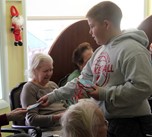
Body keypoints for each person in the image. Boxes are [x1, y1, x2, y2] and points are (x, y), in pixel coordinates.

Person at [38, 1, 152, 137]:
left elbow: (143, 88)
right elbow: (81, 81)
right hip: (106, 121)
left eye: (92, 26)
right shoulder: (99, 52)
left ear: (106, 24)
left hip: (130, 123)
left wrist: (104, 93)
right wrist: (53, 96)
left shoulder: (133, 50)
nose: (90, 32)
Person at [21, 53, 66, 137]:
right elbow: (32, 119)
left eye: (51, 70)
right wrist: (56, 117)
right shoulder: (29, 88)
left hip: (63, 126)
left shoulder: (53, 85)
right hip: (44, 130)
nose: (49, 74)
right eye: (45, 71)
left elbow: (65, 106)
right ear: (34, 70)